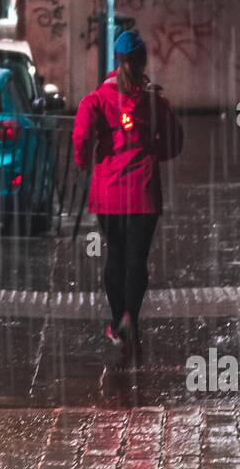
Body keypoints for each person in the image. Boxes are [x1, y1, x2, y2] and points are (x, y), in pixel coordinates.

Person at [73, 29, 184, 360]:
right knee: (137, 259)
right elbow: (175, 140)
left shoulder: (95, 100)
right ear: (143, 61)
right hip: (144, 194)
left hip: (109, 195)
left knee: (116, 255)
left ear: (115, 61)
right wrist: (153, 152)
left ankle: (115, 317)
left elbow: (80, 137)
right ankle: (130, 318)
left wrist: (85, 161)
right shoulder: (154, 101)